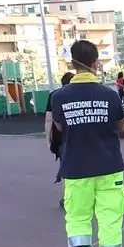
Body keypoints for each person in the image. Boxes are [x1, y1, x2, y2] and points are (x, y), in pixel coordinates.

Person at [51, 40, 124, 247]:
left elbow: (61, 128)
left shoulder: (59, 97)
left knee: (77, 219)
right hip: (109, 167)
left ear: (72, 64)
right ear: (96, 63)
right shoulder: (109, 94)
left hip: (75, 169)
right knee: (110, 220)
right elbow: (120, 127)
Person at [45, 72, 75, 208]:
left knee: (66, 165)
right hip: (80, 135)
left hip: (61, 137)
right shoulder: (79, 94)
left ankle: (67, 197)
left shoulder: (54, 96)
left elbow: (48, 119)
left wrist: (48, 139)